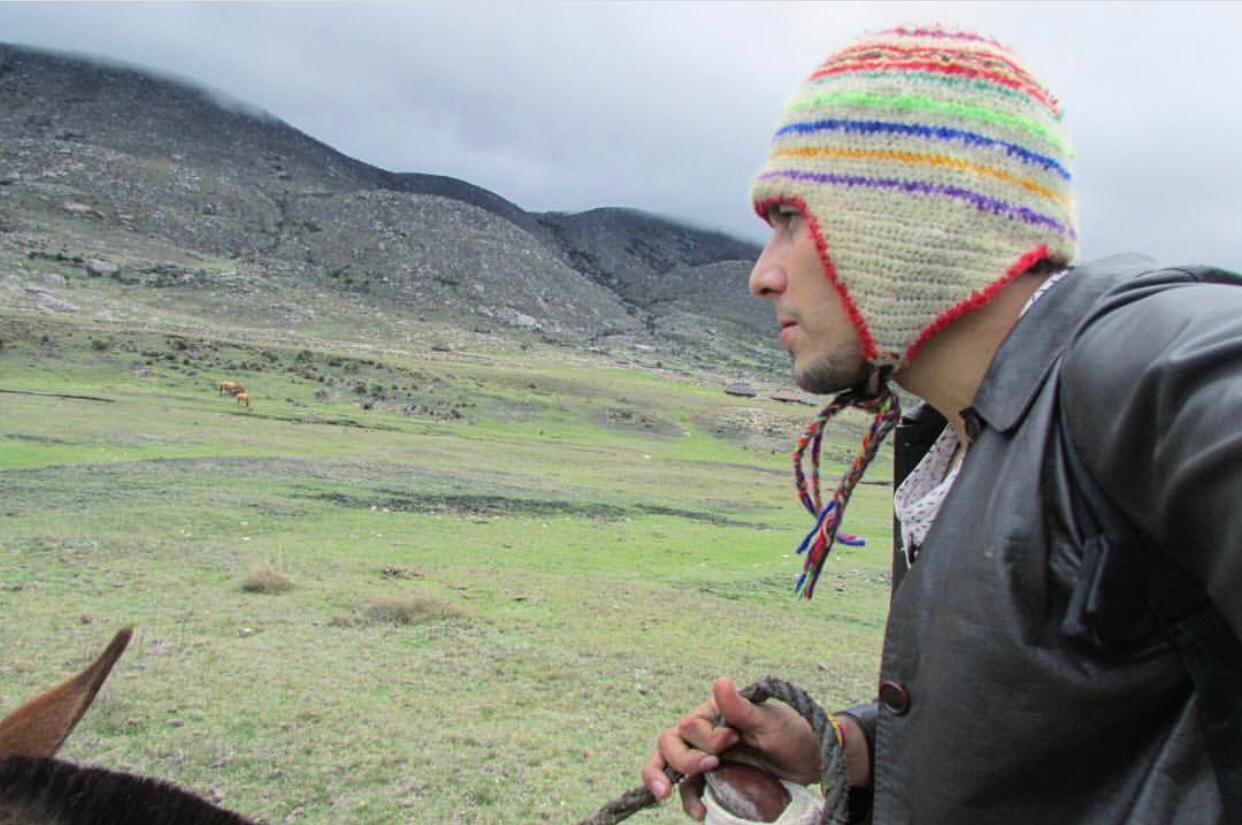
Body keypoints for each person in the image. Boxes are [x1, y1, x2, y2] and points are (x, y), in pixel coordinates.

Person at [642, 25, 1242, 823]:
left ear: (906, 221)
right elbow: (1067, 741)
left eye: (790, 219)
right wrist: (848, 748)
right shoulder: (953, 433)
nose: (762, 274)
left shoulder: (1143, 361)